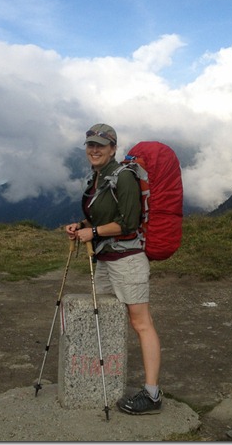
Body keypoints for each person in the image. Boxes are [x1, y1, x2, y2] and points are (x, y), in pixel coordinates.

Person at [65, 123, 162, 415]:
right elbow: (103, 217)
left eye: (100, 145)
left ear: (113, 148)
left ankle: (153, 394)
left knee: (141, 323)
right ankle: (101, 381)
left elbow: (129, 222)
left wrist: (92, 232)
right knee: (106, 317)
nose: (93, 150)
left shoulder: (124, 177)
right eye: (90, 145)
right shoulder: (98, 178)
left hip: (129, 260)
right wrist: (80, 226)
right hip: (107, 259)